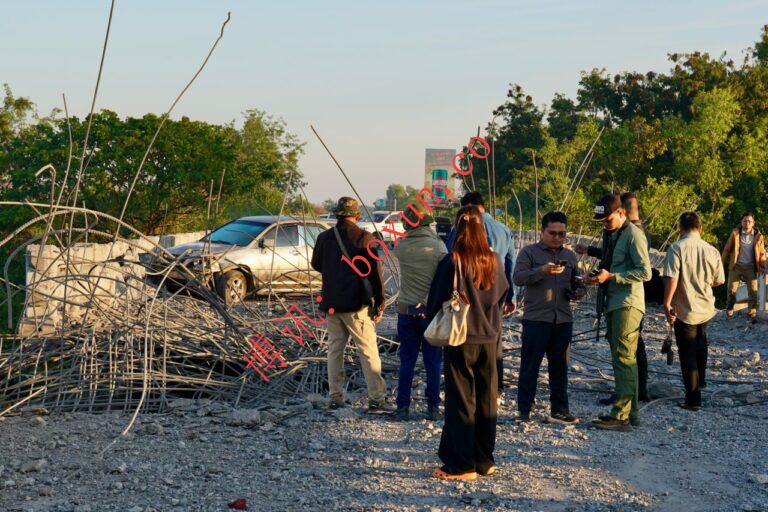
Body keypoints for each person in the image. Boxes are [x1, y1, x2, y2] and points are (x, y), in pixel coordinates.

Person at [427, 206, 509, 481]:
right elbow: (502, 294)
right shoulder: (494, 260)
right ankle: (484, 459)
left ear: (458, 229)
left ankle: (461, 464)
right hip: (490, 336)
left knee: (461, 400)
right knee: (487, 399)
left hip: (461, 338)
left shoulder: (453, 261)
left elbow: (436, 300)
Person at [310, 197, 393, 414]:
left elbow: (316, 264)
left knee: (334, 351)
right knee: (368, 351)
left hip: (331, 304)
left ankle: (335, 398)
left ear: (337, 214)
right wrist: (380, 302)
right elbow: (375, 274)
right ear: (357, 215)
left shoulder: (324, 237)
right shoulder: (364, 238)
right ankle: (376, 400)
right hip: (356, 305)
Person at [576, 191, 651, 402]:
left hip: (627, 302)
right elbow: (611, 258)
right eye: (602, 221)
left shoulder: (634, 234)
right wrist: (597, 272)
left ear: (621, 212)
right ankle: (628, 404)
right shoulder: (614, 233)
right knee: (620, 355)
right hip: (613, 301)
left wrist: (612, 277)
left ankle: (625, 406)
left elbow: (646, 272)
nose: (605, 225)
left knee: (626, 356)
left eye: (607, 220)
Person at [513, 211, 585, 425]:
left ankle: (560, 410)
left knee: (560, 367)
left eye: (561, 234)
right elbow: (518, 278)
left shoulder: (570, 256)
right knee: (530, 367)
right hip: (537, 319)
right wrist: (542, 270)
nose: (557, 237)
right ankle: (524, 410)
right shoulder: (529, 252)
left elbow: (577, 282)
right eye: (552, 233)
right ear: (542, 231)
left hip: (562, 319)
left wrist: (578, 291)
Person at [445, 192, 516, 394]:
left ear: (467, 207)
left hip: (466, 295)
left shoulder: (462, 226)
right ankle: (494, 385)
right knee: (494, 339)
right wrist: (510, 297)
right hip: (494, 293)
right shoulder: (504, 229)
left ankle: (466, 386)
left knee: (464, 341)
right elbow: (510, 264)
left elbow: (450, 257)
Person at [662, 212, 725, 411]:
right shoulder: (712, 250)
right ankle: (701, 380)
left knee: (687, 351)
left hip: (685, 308)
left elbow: (672, 278)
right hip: (706, 307)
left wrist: (667, 303)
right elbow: (719, 280)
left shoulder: (676, 248)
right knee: (701, 344)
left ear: (680, 229)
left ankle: (693, 399)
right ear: (700, 228)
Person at [392, 205, 447, 421]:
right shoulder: (438, 246)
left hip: (406, 311)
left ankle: (402, 407)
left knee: (407, 361)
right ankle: (433, 407)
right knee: (432, 361)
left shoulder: (402, 246)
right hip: (430, 313)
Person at [721, 212, 766, 320]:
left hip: (751, 267)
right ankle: (730, 307)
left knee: (753, 291)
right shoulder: (736, 234)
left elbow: (761, 253)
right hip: (736, 266)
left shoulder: (758, 236)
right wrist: (720, 264)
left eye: (749, 221)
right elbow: (727, 249)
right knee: (731, 289)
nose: (747, 223)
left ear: (753, 223)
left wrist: (763, 266)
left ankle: (751, 312)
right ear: (741, 222)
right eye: (745, 221)